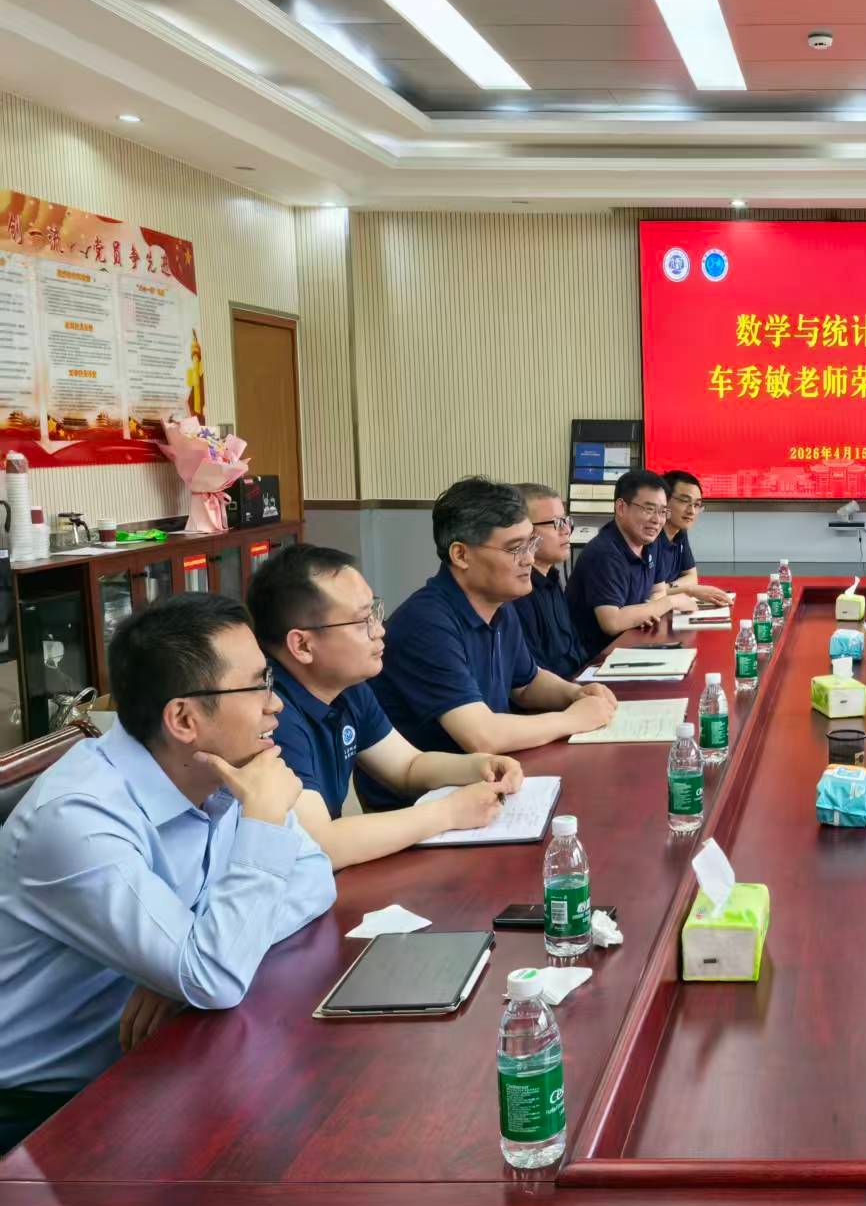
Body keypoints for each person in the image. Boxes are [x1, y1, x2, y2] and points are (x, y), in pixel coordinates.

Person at [0, 594, 336, 1153]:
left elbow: (314, 875)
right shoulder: (77, 818)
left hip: (158, 1059)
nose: (275, 704)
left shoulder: (217, 773)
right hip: (39, 1114)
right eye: (257, 687)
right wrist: (198, 962)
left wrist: (192, 961)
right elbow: (213, 977)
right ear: (183, 719)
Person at [249, 544, 525, 869]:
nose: (379, 630)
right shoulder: (271, 712)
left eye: (375, 612)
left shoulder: (348, 687)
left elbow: (407, 767)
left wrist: (479, 765)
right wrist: (448, 812)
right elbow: (321, 843)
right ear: (302, 645)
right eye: (361, 621)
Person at [364, 478, 617, 808]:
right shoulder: (426, 623)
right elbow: (482, 735)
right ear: (461, 554)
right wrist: (576, 718)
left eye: (531, 543)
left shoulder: (499, 605)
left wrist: (575, 694)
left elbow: (527, 683)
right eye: (515, 548)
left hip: (487, 784)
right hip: (423, 806)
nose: (529, 559)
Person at [565, 469, 695, 658]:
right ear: (621, 507)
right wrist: (671, 602)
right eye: (649, 509)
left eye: (662, 511)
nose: (657, 520)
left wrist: (644, 612)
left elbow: (657, 591)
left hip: (633, 645)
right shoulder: (604, 553)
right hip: (596, 659)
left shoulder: (650, 543)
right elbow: (612, 622)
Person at [508, 482, 588, 680]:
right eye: (556, 523)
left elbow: (574, 647)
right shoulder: (517, 592)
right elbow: (533, 674)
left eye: (566, 521)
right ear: (524, 530)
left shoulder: (551, 577)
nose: (566, 530)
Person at [656, 470, 732, 605]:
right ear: (664, 501)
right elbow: (649, 593)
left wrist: (671, 587)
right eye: (685, 501)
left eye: (696, 505)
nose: (691, 511)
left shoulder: (680, 531)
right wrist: (688, 590)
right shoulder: (650, 536)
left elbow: (692, 577)